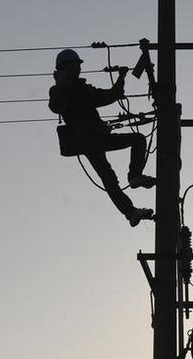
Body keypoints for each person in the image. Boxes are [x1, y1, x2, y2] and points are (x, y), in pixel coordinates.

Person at [48, 49, 155, 227]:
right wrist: (121, 78)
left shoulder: (77, 88)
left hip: (92, 140)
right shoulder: (66, 89)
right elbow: (57, 106)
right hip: (90, 141)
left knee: (110, 177)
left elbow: (110, 95)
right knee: (135, 143)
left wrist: (121, 78)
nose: (78, 69)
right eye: (75, 65)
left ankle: (131, 208)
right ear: (65, 67)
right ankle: (134, 182)